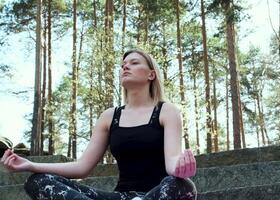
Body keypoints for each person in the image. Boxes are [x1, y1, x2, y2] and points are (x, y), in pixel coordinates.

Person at [0, 49, 197, 200]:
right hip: (119, 196)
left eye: (134, 63)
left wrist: (181, 169)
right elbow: (82, 167)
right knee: (38, 181)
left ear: (151, 75)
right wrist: (30, 165)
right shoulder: (110, 116)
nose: (125, 67)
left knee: (182, 185)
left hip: (156, 194)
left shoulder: (166, 111)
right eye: (123, 65)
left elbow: (172, 164)